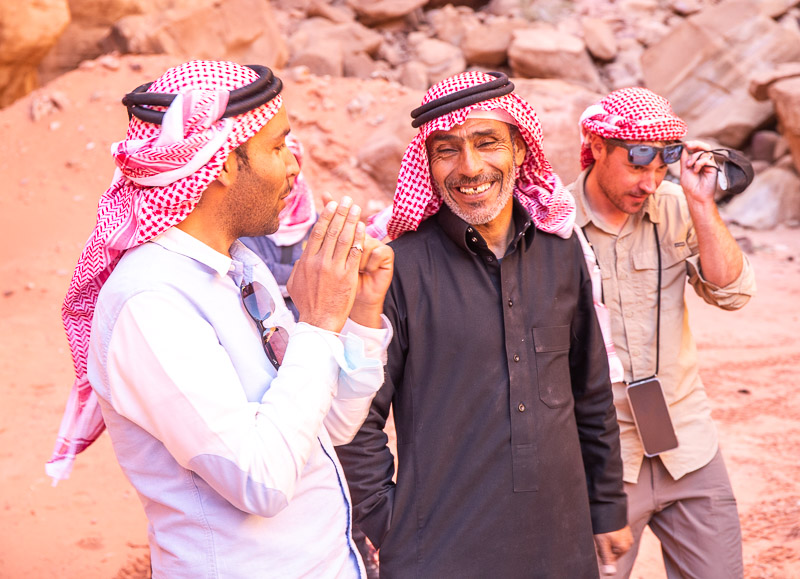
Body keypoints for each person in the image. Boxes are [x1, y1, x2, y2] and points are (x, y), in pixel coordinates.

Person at [45, 60, 395, 577]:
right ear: (224, 164)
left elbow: (329, 429)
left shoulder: (239, 267)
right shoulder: (150, 304)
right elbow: (262, 481)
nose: (294, 166)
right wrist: (318, 326)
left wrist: (360, 315)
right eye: (277, 148)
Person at [336, 70, 632, 578]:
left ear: (520, 148)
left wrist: (605, 508)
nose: (469, 168)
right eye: (446, 150)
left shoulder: (561, 251)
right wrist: (390, 523)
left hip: (561, 540)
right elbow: (355, 414)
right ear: (427, 164)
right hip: (439, 553)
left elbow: (590, 390)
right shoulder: (399, 267)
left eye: (487, 143)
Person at [568, 87, 756, 578]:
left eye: (660, 168)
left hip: (688, 447)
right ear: (598, 147)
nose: (650, 182)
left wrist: (700, 204)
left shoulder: (676, 205)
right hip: (602, 465)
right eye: (636, 166)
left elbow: (732, 292)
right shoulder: (555, 223)